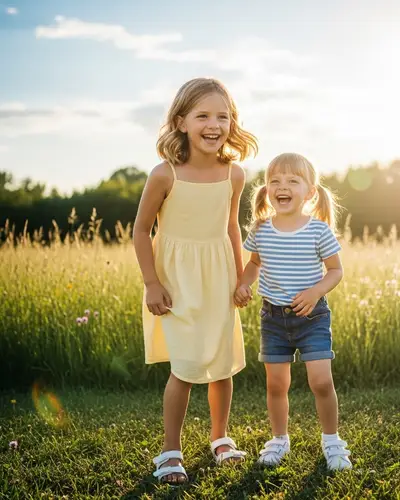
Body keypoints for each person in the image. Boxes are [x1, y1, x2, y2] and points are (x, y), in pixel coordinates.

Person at [133, 77, 258, 485]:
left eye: (223, 116)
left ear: (232, 123)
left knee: (222, 365)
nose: (214, 124)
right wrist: (152, 283)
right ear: (181, 121)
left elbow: (232, 229)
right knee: (185, 367)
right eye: (203, 115)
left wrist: (241, 277)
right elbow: (140, 231)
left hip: (219, 276)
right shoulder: (164, 174)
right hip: (177, 280)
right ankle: (171, 450)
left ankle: (220, 439)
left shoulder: (234, 174)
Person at [234, 152, 352, 471]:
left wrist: (315, 292)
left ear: (310, 192)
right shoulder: (261, 229)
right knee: (276, 384)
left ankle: (332, 441)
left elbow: (335, 271)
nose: (281, 186)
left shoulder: (318, 230)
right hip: (273, 318)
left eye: (292, 181)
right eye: (275, 181)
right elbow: (254, 264)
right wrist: (244, 284)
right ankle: (279, 439)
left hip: (312, 317)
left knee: (321, 381)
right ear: (267, 189)